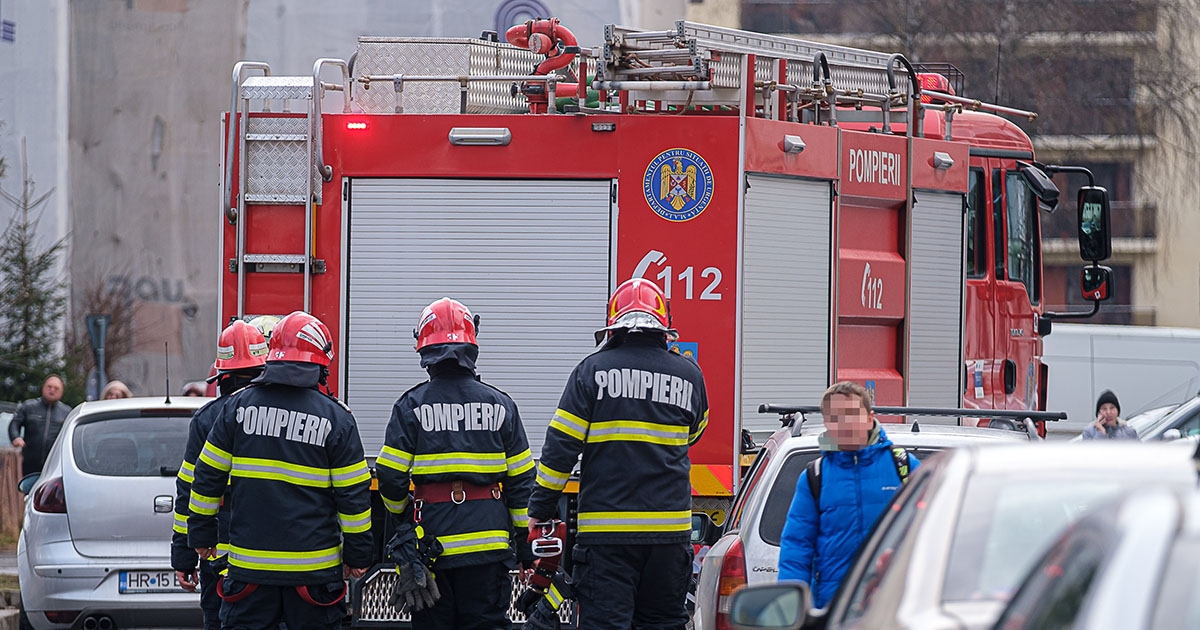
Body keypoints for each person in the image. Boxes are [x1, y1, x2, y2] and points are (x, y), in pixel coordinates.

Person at [526, 278, 709, 630]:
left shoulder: (591, 372)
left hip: (607, 539)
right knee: (663, 624)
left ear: (614, 323)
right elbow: (695, 431)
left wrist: (541, 509)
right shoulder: (689, 374)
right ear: (663, 324)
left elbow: (560, 448)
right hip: (669, 539)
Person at [188, 311, 372, 630]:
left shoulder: (236, 408)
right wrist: (357, 556)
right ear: (320, 362)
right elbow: (353, 499)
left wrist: (201, 535)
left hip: (249, 574)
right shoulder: (337, 420)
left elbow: (206, 478)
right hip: (314, 577)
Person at [376, 297, 536, 629]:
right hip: (489, 545)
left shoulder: (410, 407)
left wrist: (405, 517)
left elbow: (390, 477)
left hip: (431, 544)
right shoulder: (501, 405)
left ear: (423, 350)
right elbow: (522, 482)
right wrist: (524, 544)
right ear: (471, 347)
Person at [777, 381, 921, 609]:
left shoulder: (902, 466)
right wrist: (790, 608)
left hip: (894, 606)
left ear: (869, 417)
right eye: (835, 417)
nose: (845, 424)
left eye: (852, 414)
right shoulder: (816, 476)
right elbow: (797, 547)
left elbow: (933, 531)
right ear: (826, 423)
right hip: (835, 609)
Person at [172, 320, 269, 630]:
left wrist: (184, 557)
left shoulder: (207, 418)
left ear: (221, 373)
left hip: (220, 554)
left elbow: (188, 489)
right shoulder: (278, 413)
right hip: (277, 551)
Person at [8, 374, 73, 476]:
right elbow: (14, 424)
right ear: (43, 388)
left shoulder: (67, 412)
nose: (52, 390)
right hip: (28, 463)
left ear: (61, 392)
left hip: (54, 465)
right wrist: (16, 438)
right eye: (49, 387)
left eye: (56, 388)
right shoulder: (29, 406)